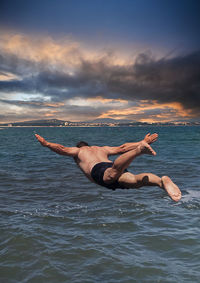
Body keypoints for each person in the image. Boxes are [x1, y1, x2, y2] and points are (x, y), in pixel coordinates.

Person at [35, 133, 181, 202]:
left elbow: (62, 149)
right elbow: (122, 148)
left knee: (111, 175)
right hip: (111, 165)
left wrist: (47, 144)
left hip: (100, 170)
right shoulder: (102, 148)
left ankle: (139, 152)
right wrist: (140, 141)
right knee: (135, 182)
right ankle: (161, 182)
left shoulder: (79, 151)